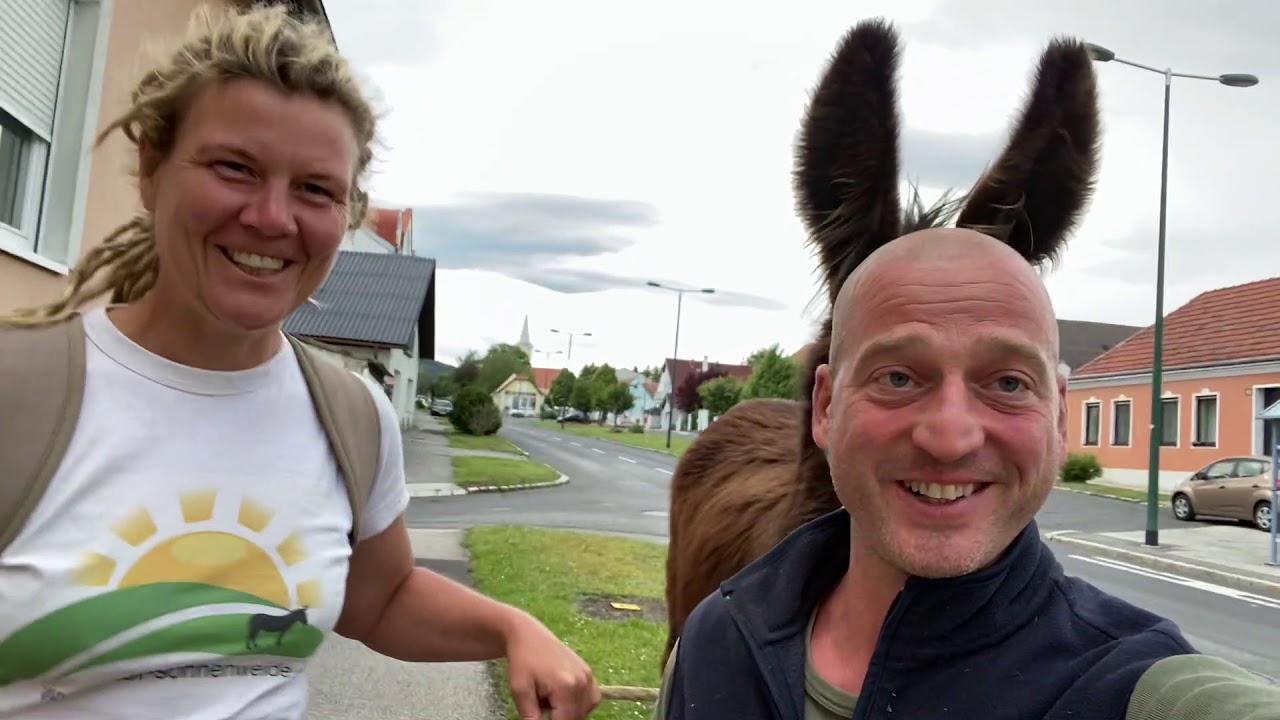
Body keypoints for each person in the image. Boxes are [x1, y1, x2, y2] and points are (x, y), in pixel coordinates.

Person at [650, 19, 1280, 720]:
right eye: (897, 376)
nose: (950, 437)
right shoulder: (715, 644)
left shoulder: (1130, 688)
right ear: (824, 406)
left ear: (1059, 413)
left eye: (1007, 382)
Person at [0, 6, 599, 720]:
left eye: (315, 189)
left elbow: (383, 599)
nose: (273, 218)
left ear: (346, 214)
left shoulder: (349, 415)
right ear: (152, 167)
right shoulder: (22, 390)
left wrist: (512, 629)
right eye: (234, 168)